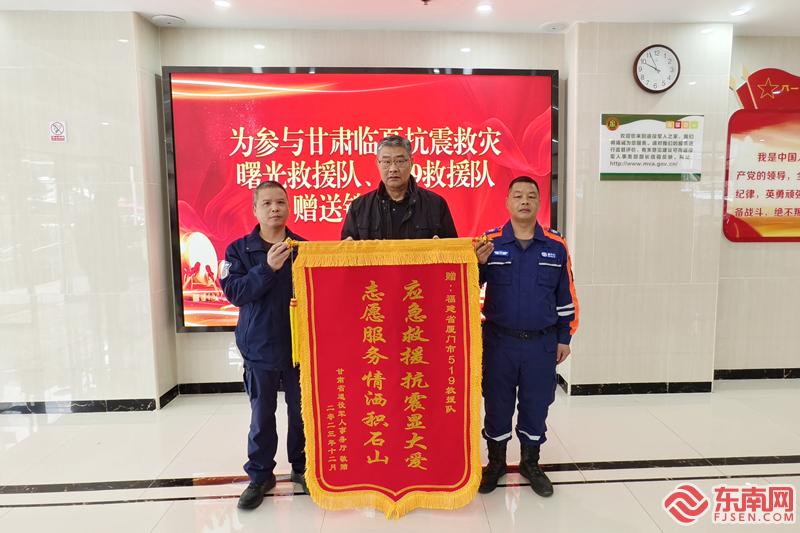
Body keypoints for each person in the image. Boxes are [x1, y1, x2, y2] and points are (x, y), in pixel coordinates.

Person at [473, 176, 579, 497]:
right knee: (497, 404)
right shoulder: (489, 243)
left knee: (536, 404)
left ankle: (531, 464)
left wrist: (565, 337)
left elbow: (566, 296)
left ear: (539, 203)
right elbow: (468, 287)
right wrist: (477, 265)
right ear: (507, 202)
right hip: (499, 343)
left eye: (531, 196)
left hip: (541, 344)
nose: (524, 201)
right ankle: (496, 463)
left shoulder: (556, 246)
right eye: (517, 195)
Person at [220, 181, 307, 510]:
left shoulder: (303, 249)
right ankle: (260, 475)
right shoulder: (238, 251)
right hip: (259, 347)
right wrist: (267, 268)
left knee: (301, 414)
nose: (275, 208)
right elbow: (235, 292)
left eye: (281, 202)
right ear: (255, 210)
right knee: (262, 416)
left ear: (289, 207)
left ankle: (302, 467)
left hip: (299, 348)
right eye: (267, 203)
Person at [341, 135, 458, 240]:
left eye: (400, 161)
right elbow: (345, 252)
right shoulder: (359, 207)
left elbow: (454, 252)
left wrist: (442, 248)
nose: (393, 169)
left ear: (411, 162)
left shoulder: (436, 204)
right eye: (386, 162)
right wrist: (347, 249)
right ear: (378, 164)